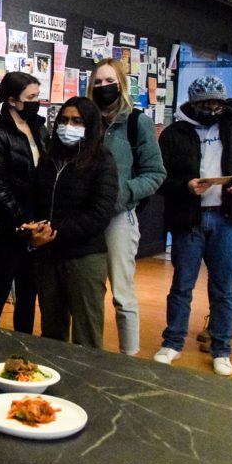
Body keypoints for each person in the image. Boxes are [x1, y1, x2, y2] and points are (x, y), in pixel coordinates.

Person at [153, 76, 232, 376]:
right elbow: (159, 177)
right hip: (188, 219)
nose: (212, 110)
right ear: (193, 104)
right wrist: (185, 186)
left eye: (218, 104)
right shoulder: (175, 133)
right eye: (205, 105)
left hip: (226, 217)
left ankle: (222, 348)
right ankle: (172, 342)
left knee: (223, 289)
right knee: (182, 285)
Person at [24, 96, 117, 348]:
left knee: (87, 337)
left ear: (90, 125)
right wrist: (33, 227)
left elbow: (99, 214)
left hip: (84, 257)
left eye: (77, 121)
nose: (69, 126)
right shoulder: (48, 159)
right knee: (51, 332)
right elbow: (35, 199)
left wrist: (53, 230)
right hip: (47, 256)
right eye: (64, 120)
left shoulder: (102, 160)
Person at [89, 58, 166, 356]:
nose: (104, 87)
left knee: (122, 294)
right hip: (85, 218)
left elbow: (155, 173)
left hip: (119, 217)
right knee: (89, 292)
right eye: (98, 82)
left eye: (110, 81)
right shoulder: (85, 121)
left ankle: (129, 359)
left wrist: (123, 194)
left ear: (121, 83)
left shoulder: (137, 123)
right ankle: (89, 354)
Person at [0, 72, 45, 331]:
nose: (37, 102)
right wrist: (21, 219)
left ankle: (22, 344)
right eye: (31, 97)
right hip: (4, 226)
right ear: (13, 100)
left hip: (33, 222)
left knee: (28, 293)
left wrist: (37, 220)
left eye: (38, 96)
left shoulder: (38, 127)